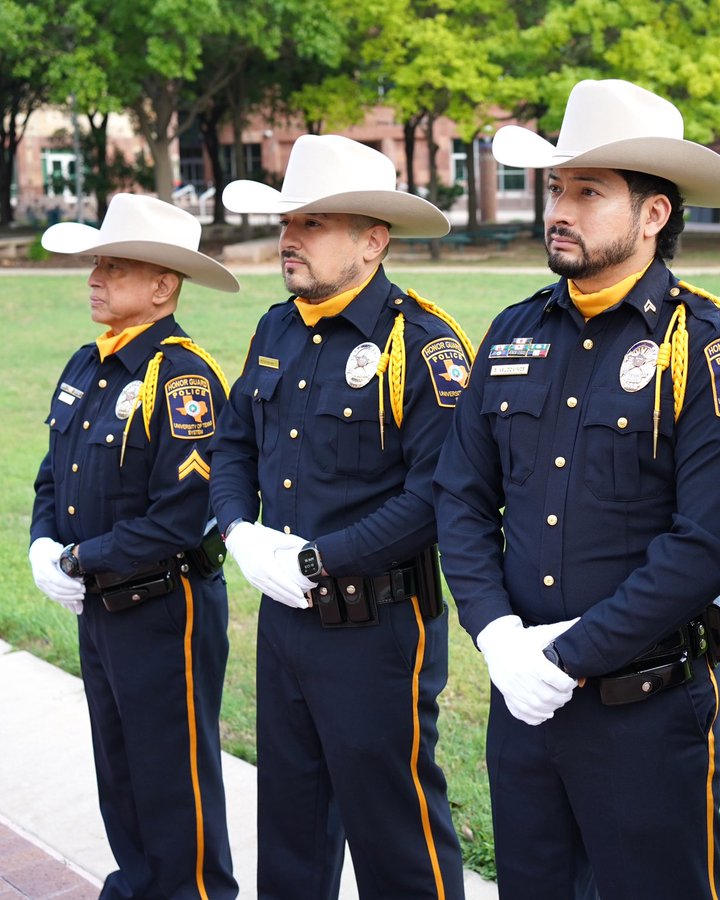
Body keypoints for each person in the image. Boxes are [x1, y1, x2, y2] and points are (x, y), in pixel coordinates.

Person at [433, 79, 720, 899]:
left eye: (588, 192)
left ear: (653, 214)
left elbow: (706, 545)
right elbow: (462, 498)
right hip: (524, 702)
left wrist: (568, 655)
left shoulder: (711, 347)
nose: (560, 208)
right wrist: (499, 637)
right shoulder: (512, 333)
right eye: (557, 187)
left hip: (645, 712)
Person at [209, 133, 471, 900]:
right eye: (289, 222)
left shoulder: (421, 346)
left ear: (373, 240)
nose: (290, 238)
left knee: (395, 837)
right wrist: (239, 532)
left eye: (313, 224)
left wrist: (319, 560)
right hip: (286, 624)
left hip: (377, 627)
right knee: (290, 829)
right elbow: (231, 446)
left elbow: (436, 496)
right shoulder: (276, 327)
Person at [30, 193, 240, 899]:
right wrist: (41, 545)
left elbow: (180, 518)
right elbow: (50, 478)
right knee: (118, 769)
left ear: (162, 286)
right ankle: (137, 887)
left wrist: (77, 559)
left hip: (163, 608)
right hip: (101, 606)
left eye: (115, 266)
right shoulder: (87, 365)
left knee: (171, 775)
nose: (95, 276)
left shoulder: (182, 380)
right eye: (96, 262)